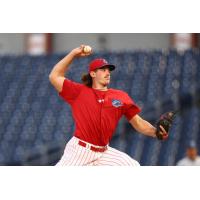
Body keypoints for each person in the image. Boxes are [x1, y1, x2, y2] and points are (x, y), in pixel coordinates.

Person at [49, 45, 167, 166]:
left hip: (103, 152)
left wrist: (155, 132)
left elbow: (138, 122)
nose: (107, 72)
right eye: (103, 69)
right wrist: (73, 54)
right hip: (80, 150)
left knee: (132, 166)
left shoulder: (120, 96)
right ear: (93, 74)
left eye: (108, 70)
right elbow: (54, 76)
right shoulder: (79, 92)